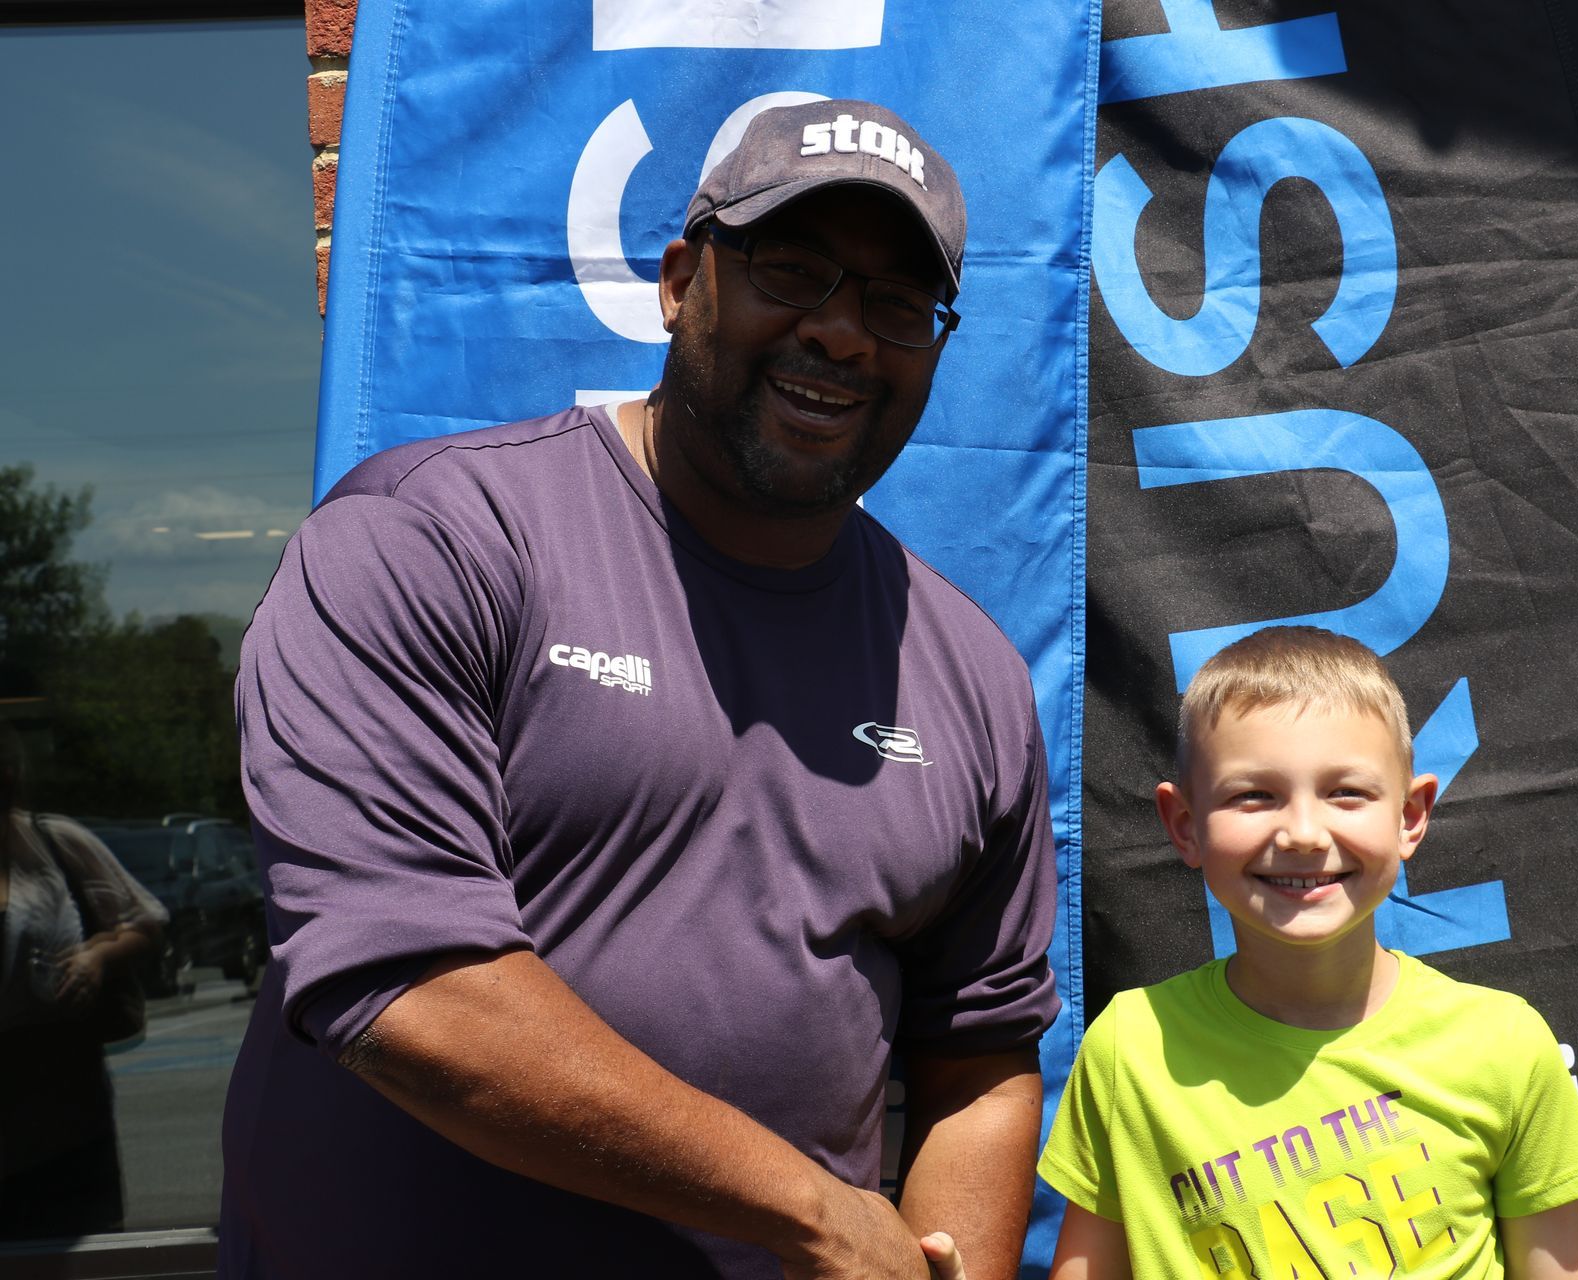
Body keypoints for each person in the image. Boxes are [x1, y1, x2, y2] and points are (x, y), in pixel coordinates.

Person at [220, 99, 1056, 1279]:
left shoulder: (970, 672)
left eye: (897, 304)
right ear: (678, 283)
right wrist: (814, 1210)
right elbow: (407, 985)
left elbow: (980, 1057)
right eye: (791, 269)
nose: (841, 333)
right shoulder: (434, 539)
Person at [1039, 626, 1578, 1279]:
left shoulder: (1506, 1045)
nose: (1304, 834)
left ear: (1410, 816)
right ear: (1186, 826)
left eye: (1346, 793)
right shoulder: (1129, 1051)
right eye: (1254, 796)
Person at [0, 727, 166, 1239]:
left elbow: (145, 921)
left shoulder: (53, 840)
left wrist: (98, 957)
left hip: (65, 1082)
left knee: (82, 1236)